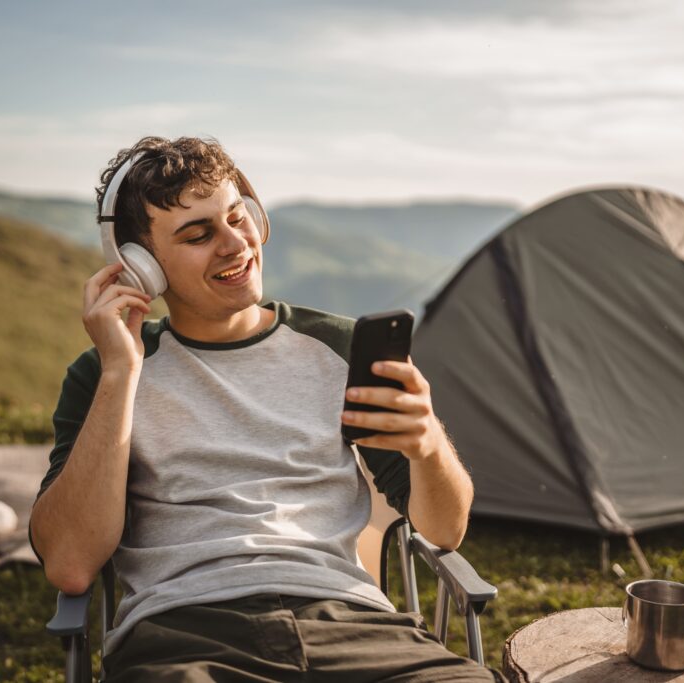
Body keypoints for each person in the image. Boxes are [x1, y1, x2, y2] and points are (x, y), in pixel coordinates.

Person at [29, 135, 502, 682]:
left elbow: (445, 530)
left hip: (356, 626)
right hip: (186, 640)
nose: (235, 243)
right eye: (198, 234)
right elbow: (69, 562)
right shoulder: (106, 374)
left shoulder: (341, 349)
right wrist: (121, 372)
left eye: (237, 216)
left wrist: (429, 446)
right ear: (142, 267)